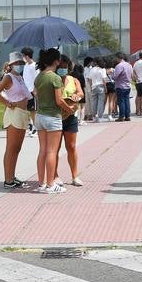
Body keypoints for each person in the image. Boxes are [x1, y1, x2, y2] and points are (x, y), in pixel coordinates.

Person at [31, 48, 70, 194]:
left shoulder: (39, 76)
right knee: (52, 151)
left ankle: (41, 184)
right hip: (53, 116)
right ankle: (51, 184)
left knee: (42, 150)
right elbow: (59, 100)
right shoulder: (55, 78)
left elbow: (34, 93)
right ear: (56, 61)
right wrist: (69, 109)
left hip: (40, 116)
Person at [60, 54, 85, 186]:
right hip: (57, 116)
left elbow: (81, 93)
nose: (63, 69)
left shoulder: (73, 80)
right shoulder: (53, 79)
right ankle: (55, 175)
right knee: (55, 148)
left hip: (71, 116)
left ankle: (75, 176)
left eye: (65, 66)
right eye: (60, 66)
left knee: (71, 146)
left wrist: (76, 96)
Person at [21, 46, 38, 137]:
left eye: (23, 56)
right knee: (28, 111)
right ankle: (31, 126)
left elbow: (36, 79)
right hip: (26, 91)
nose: (23, 58)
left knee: (33, 111)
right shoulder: (26, 66)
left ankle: (36, 128)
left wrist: (35, 91)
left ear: (27, 56)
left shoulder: (35, 66)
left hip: (32, 91)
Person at [83, 56, 106, 122]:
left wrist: (91, 86)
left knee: (93, 102)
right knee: (100, 102)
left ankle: (94, 117)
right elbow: (104, 79)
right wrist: (105, 88)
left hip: (93, 86)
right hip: (101, 86)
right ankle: (100, 117)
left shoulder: (92, 69)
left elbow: (89, 79)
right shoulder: (102, 69)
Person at [112, 54, 133, 121]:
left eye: (116, 58)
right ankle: (127, 116)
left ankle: (121, 116)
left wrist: (112, 74)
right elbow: (132, 75)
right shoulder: (129, 65)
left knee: (121, 101)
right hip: (128, 85)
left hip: (120, 86)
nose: (115, 60)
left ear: (118, 58)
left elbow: (115, 77)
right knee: (127, 101)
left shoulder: (119, 66)